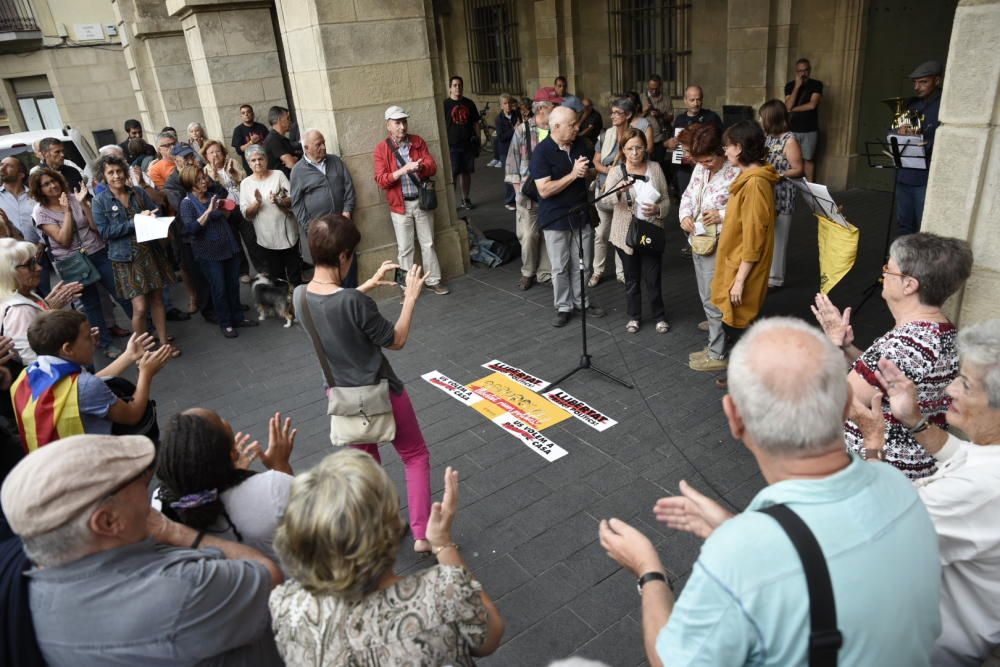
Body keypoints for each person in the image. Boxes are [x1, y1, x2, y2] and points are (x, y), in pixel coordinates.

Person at [599, 317, 942, 667]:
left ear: (734, 417)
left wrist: (648, 570)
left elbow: (669, 662)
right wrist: (736, 528)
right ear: (845, 407)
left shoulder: (740, 557)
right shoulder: (900, 486)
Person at [0, 433, 285, 666]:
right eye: (138, 478)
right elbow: (268, 574)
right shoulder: (178, 591)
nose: (148, 481)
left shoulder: (25, 575)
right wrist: (173, 530)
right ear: (109, 521)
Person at [848, 320, 1000, 666]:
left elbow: (877, 532)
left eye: (966, 384)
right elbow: (962, 456)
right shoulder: (989, 457)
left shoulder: (980, 491)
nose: (951, 390)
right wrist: (913, 419)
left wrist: (873, 442)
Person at [270, 449, 505, 665]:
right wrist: (443, 544)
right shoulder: (442, 594)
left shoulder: (285, 605)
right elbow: (488, 639)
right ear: (390, 528)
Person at [301, 213, 433, 551]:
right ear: (344, 255)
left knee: (366, 468)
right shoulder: (354, 302)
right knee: (414, 455)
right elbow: (396, 339)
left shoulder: (299, 297)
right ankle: (421, 535)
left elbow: (330, 305)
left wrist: (365, 286)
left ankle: (382, 528)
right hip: (382, 393)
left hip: (343, 400)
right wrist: (411, 297)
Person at [811, 232, 973, 479]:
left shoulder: (907, 344)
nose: (883, 273)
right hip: (912, 464)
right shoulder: (937, 330)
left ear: (909, 285)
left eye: (889, 268)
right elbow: (883, 376)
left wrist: (832, 346)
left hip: (880, 471)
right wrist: (847, 348)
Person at [155, 408, 297, 564]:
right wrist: (280, 465)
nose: (225, 421)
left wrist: (234, 474)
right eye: (220, 419)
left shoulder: (162, 503)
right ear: (233, 455)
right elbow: (309, 522)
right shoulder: (273, 488)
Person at [12, 311, 170, 449]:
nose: (94, 341)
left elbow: (78, 387)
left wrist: (128, 357)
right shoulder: (85, 386)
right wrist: (146, 373)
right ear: (67, 349)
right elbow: (132, 414)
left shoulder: (30, 372)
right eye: (87, 338)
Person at [30, 168, 133, 358]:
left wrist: (84, 203)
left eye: (54, 181)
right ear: (39, 189)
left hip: (97, 251)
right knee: (90, 303)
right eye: (46, 184)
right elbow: (63, 239)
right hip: (72, 261)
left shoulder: (73, 196)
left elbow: (95, 227)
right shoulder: (40, 211)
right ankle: (105, 343)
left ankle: (143, 330)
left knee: (122, 292)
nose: (52, 186)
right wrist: (67, 211)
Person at [709, 121, 779, 388]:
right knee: (734, 319)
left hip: (744, 265)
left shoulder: (755, 184)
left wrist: (740, 279)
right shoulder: (751, 178)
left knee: (738, 321)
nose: (724, 151)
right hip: (736, 261)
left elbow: (754, 236)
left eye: (727, 146)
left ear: (739, 148)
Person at [91, 155, 178, 356]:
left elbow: (154, 213)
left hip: (150, 252)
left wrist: (153, 217)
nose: (116, 176)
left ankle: (164, 343)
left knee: (157, 300)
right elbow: (104, 233)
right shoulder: (100, 201)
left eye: (118, 171)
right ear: (103, 176)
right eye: (110, 173)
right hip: (126, 259)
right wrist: (136, 222)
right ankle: (141, 351)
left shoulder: (137, 193)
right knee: (139, 308)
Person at [530, 106, 606, 327]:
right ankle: (563, 306)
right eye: (572, 125)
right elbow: (544, 189)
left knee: (584, 263)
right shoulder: (542, 152)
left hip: (581, 214)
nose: (577, 128)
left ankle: (581, 301)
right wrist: (573, 175)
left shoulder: (580, 144)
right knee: (560, 266)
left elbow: (591, 170)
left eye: (576, 123)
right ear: (555, 127)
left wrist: (590, 173)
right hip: (555, 219)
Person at [678, 124, 742, 373]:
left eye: (708, 160)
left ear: (721, 152)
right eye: (700, 161)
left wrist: (722, 215)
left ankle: (717, 352)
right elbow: (689, 195)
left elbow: (747, 210)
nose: (704, 164)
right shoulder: (701, 168)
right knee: (706, 294)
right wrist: (684, 216)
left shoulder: (735, 172)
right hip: (699, 239)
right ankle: (717, 342)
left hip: (721, 243)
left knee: (714, 297)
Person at [597, 129, 670, 334]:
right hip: (624, 233)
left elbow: (666, 198)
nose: (635, 152)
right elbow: (605, 201)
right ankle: (634, 316)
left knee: (653, 278)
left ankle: (659, 316)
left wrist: (659, 209)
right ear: (623, 150)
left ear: (645, 148)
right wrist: (618, 192)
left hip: (651, 231)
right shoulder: (616, 172)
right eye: (630, 148)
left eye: (639, 147)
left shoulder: (655, 168)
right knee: (631, 278)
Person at [373, 106, 449, 296]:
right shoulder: (382, 149)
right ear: (388, 125)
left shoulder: (417, 142)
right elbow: (381, 180)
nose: (402, 127)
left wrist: (421, 167)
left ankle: (433, 280)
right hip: (399, 205)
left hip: (421, 201)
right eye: (397, 123)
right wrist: (402, 170)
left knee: (428, 243)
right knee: (404, 249)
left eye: (404, 122)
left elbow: (432, 166)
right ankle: (405, 288)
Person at [179, 166, 258, 339]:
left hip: (228, 247)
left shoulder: (211, 197)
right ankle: (226, 323)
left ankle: (238, 317)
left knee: (233, 285)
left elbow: (226, 218)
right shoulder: (187, 203)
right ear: (190, 183)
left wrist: (224, 210)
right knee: (219, 288)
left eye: (204, 178)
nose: (204, 182)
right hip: (208, 253)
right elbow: (191, 229)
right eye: (199, 180)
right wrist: (208, 212)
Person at [0, 239, 81, 364]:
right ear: (9, 273)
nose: (38, 268)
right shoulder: (19, 310)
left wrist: (45, 306)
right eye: (30, 264)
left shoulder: (24, 294)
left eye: (35, 261)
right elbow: (34, 361)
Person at [505, 99, 553, 291]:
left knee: (549, 233)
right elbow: (511, 162)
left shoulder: (555, 131)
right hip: (527, 193)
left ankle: (545, 273)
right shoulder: (522, 130)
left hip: (550, 191)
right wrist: (518, 192)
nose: (556, 111)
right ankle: (528, 272)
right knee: (529, 235)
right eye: (552, 108)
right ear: (541, 110)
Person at [203, 139, 267, 281]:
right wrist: (213, 177)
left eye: (218, 151)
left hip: (241, 204)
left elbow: (244, 180)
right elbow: (210, 193)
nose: (215, 155)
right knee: (234, 241)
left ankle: (262, 268)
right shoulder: (205, 171)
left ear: (223, 152)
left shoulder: (232, 162)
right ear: (206, 156)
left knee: (251, 238)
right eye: (211, 152)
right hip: (225, 211)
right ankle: (243, 271)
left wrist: (234, 174)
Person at [240, 144, 302, 285]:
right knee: (278, 278)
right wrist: (257, 203)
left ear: (266, 159)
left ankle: (298, 304)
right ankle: (284, 306)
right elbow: (246, 215)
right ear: (248, 163)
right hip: (267, 240)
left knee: (295, 275)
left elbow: (292, 199)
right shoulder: (245, 184)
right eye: (253, 160)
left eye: (260, 158)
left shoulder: (278, 175)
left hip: (289, 236)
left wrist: (279, 200)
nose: (257, 163)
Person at [592, 97, 638, 287]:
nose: (613, 116)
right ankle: (597, 271)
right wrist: (611, 171)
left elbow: (640, 164)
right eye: (612, 112)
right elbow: (595, 162)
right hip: (604, 190)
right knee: (601, 234)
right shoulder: (605, 135)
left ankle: (621, 271)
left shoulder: (635, 137)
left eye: (617, 113)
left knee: (621, 235)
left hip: (625, 194)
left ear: (628, 115)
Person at [759, 100, 804, 289]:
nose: (761, 120)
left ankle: (775, 279)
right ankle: (764, 273)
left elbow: (799, 169)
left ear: (772, 119)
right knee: (766, 236)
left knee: (779, 238)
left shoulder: (790, 140)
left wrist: (779, 175)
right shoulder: (769, 137)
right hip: (767, 193)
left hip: (782, 194)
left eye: (763, 117)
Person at [895, 60, 943, 235]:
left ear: (936, 81)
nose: (917, 87)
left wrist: (926, 140)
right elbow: (891, 129)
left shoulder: (944, 104)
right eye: (915, 82)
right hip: (905, 172)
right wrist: (899, 129)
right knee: (904, 223)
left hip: (925, 175)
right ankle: (902, 261)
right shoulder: (911, 105)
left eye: (923, 82)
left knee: (923, 227)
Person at [290, 129, 356, 228]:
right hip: (320, 230)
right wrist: (309, 227)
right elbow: (297, 204)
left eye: (324, 143)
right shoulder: (298, 171)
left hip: (343, 223)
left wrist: (347, 210)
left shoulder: (335, 161)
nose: (324, 147)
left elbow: (349, 186)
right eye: (318, 144)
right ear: (306, 148)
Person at [665, 86, 724, 197]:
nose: (696, 103)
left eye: (698, 99)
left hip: (707, 166)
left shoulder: (712, 117)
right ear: (685, 100)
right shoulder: (680, 119)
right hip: (685, 169)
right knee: (686, 197)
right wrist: (669, 144)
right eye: (692, 100)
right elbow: (675, 142)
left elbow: (721, 141)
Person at [444, 75, 481, 210]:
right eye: (455, 85)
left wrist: (478, 138)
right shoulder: (445, 104)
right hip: (452, 145)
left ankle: (465, 199)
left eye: (460, 85)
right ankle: (452, 204)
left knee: (466, 173)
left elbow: (476, 122)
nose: (457, 87)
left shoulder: (469, 103)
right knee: (453, 174)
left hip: (467, 144)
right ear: (450, 88)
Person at [783, 58, 823, 182]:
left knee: (808, 159)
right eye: (800, 71)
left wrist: (793, 109)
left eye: (805, 70)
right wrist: (796, 87)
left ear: (809, 71)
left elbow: (812, 105)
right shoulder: (790, 86)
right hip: (792, 129)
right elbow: (787, 106)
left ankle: (811, 189)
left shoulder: (816, 84)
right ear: (796, 72)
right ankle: (790, 185)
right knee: (790, 159)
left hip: (809, 129)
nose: (803, 74)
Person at [493, 94, 520, 209]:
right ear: (501, 106)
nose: (508, 105)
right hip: (505, 150)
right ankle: (509, 201)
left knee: (518, 173)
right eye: (505, 103)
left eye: (509, 103)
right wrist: (514, 129)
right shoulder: (499, 119)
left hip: (517, 148)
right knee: (509, 175)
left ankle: (518, 197)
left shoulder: (516, 115)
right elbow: (501, 137)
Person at [642, 74, 674, 167]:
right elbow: (635, 117)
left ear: (660, 86)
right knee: (646, 164)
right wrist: (645, 110)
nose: (654, 91)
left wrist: (661, 115)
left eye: (656, 88)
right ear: (648, 86)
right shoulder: (641, 98)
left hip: (661, 138)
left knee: (659, 165)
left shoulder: (667, 98)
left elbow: (671, 118)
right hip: (645, 138)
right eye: (651, 88)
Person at [231, 104, 270, 174]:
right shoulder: (238, 130)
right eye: (243, 113)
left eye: (248, 112)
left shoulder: (261, 127)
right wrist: (251, 142)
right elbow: (239, 150)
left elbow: (270, 143)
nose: (246, 114)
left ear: (253, 114)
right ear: (241, 116)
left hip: (266, 163)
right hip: (250, 167)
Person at [263, 106, 300, 178]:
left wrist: (296, 158)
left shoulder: (280, 138)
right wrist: (293, 159)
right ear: (279, 120)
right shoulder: (273, 139)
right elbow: (291, 163)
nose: (290, 121)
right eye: (287, 118)